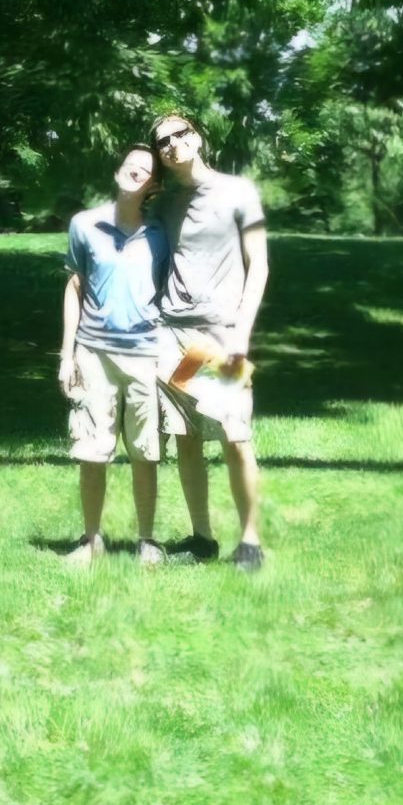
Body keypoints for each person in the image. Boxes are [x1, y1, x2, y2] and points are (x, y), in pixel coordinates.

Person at [148, 112, 270, 570]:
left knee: (235, 436)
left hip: (221, 338)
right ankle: (202, 538)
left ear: (197, 137)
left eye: (180, 135)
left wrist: (242, 331)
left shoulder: (239, 192)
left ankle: (251, 540)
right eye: (163, 142)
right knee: (186, 438)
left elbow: (258, 266)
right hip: (173, 335)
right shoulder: (163, 204)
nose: (173, 145)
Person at [57, 143, 170, 565]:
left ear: (153, 185)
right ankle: (91, 541)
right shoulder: (84, 226)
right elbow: (74, 288)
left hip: (144, 356)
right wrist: (66, 356)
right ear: (118, 171)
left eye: (144, 170)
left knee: (145, 451)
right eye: (130, 165)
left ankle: (147, 541)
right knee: (91, 450)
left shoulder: (159, 236)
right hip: (93, 355)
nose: (135, 172)